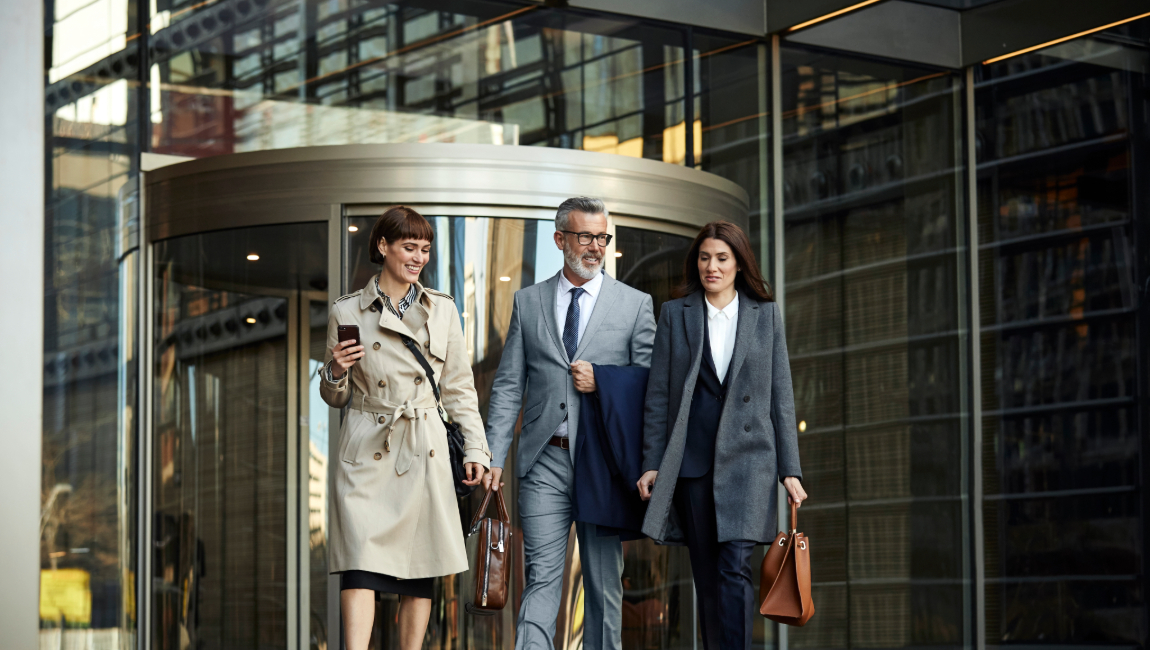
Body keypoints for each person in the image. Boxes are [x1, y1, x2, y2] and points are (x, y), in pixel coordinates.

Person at [484, 197, 656, 650]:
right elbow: (508, 386)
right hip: (544, 461)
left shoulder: (635, 304)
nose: (596, 247)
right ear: (560, 239)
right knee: (541, 578)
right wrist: (493, 456)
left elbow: (653, 388)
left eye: (602, 237)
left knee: (603, 585)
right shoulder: (528, 302)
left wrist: (603, 380)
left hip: (603, 466)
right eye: (586, 237)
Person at [320, 206, 490, 650]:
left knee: (418, 569)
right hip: (367, 447)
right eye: (409, 247)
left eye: (425, 249)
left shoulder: (443, 309)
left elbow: (459, 389)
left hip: (422, 444)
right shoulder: (347, 310)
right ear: (383, 246)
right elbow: (336, 396)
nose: (419, 258)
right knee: (359, 563)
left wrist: (477, 450)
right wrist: (334, 371)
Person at [636, 220, 807, 650]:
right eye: (704, 257)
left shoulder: (765, 315)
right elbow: (659, 396)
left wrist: (790, 469)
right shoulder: (676, 314)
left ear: (739, 263)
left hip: (750, 460)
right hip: (693, 463)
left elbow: (781, 395)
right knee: (708, 576)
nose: (712, 266)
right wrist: (653, 462)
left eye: (722, 258)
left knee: (735, 566)